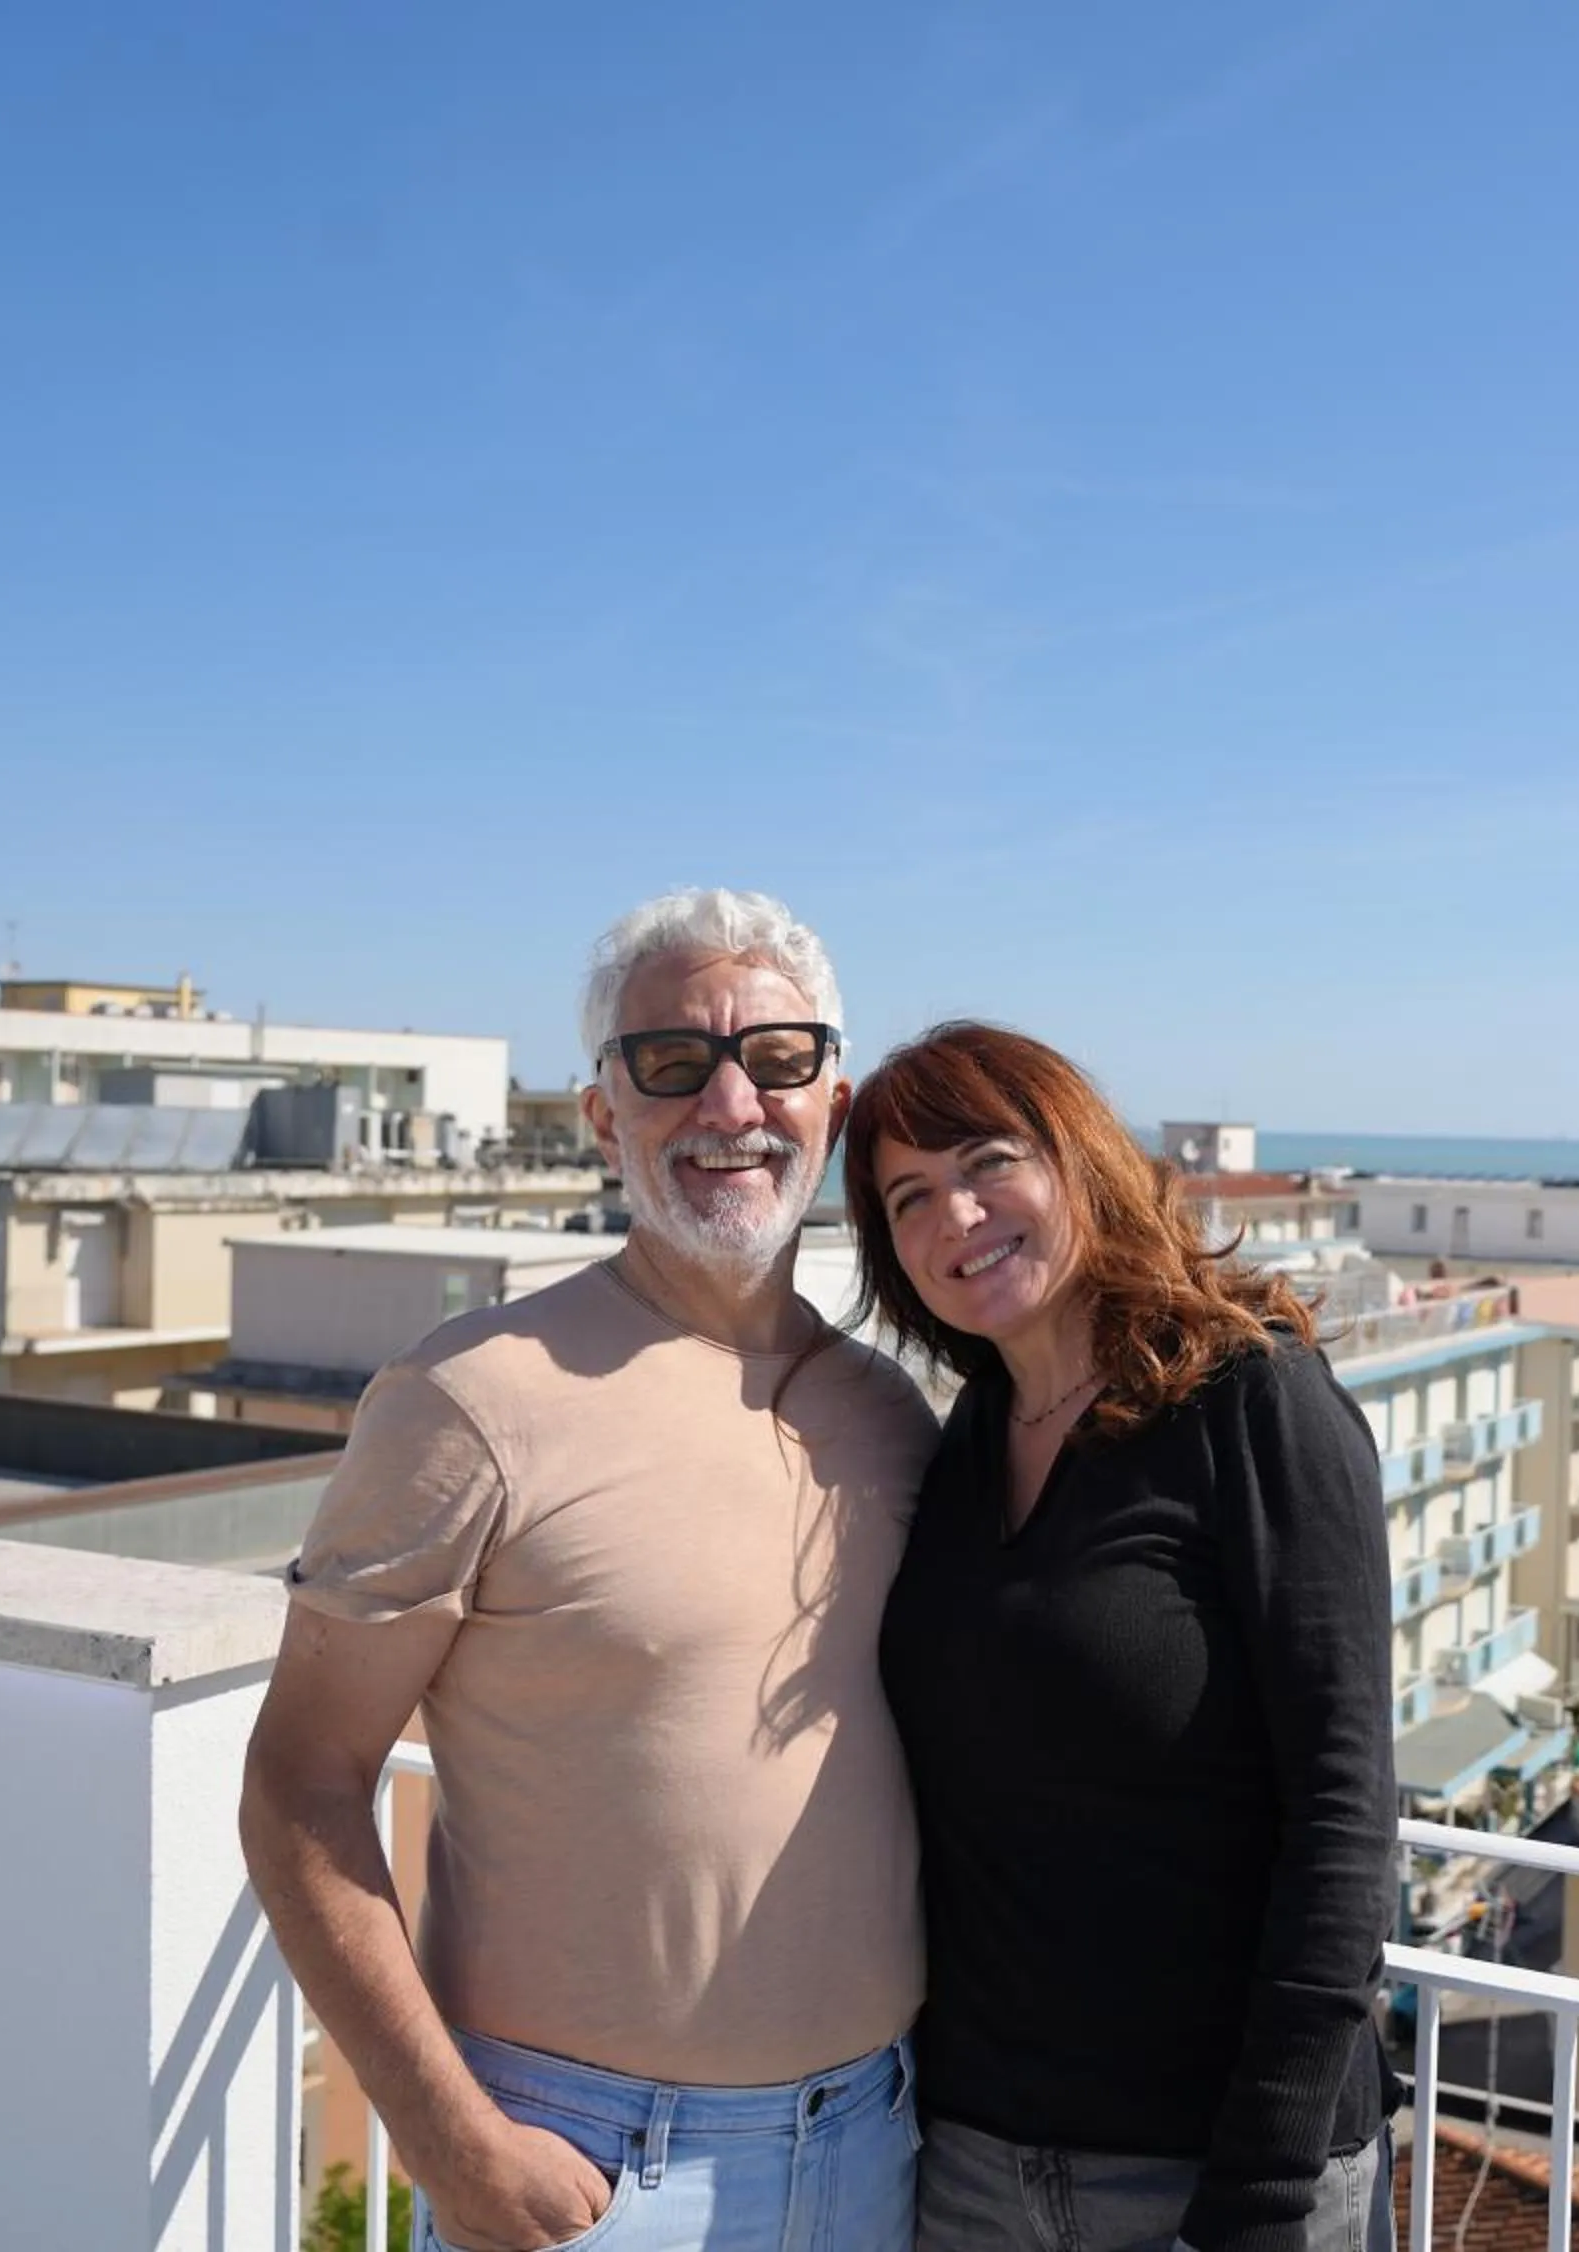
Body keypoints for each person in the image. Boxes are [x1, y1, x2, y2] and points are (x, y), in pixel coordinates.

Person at [240, 889, 939, 2252]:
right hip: (593, 2170)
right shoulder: (470, 1399)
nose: (731, 1100)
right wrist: (453, 2144)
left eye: (779, 1058)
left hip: (878, 2142)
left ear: (833, 1104)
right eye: (671, 1061)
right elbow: (301, 1787)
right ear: (600, 1115)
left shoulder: (890, 1413)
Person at [847, 1023, 1398, 2252]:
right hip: (974, 2156)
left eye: (990, 1161)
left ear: (1081, 1161)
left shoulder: (1256, 1399)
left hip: (1221, 2169)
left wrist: (1261, 2186)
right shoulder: (965, 1444)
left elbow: (1346, 1809)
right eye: (910, 1196)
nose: (958, 1214)